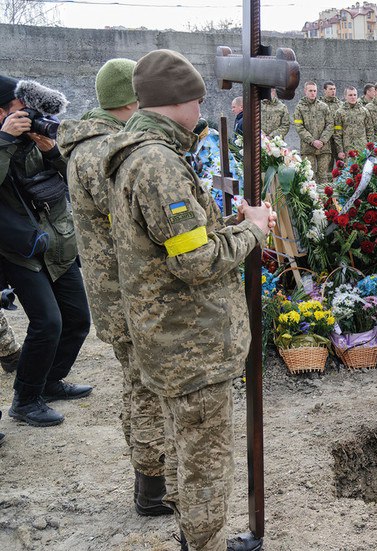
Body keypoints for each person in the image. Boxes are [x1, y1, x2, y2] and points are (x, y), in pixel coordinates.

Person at [103, 49, 274, 551]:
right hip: (191, 342)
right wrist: (252, 232)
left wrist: (227, 223)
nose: (201, 111)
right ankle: (200, 543)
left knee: (184, 447)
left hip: (169, 335)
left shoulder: (138, 152)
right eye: (197, 102)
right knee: (204, 458)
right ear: (178, 102)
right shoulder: (158, 163)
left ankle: (187, 533)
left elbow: (177, 241)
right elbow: (195, 261)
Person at [57, 58, 171, 516]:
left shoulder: (87, 145)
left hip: (114, 293)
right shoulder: (103, 152)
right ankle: (153, 489)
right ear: (132, 100)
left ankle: (148, 478)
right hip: (129, 294)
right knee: (146, 388)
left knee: (135, 384)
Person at [0, 74, 92, 427]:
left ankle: (49, 381)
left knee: (78, 320)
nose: (29, 117)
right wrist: (5, 140)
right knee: (47, 323)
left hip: (58, 241)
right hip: (20, 250)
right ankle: (25, 400)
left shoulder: (36, 139)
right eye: (21, 111)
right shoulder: (5, 141)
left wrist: (51, 151)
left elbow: (75, 180)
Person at [293, 81, 333, 183]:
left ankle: (325, 198)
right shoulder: (299, 108)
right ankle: (312, 198)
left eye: (314, 91)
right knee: (309, 176)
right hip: (308, 148)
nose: (313, 93)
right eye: (310, 91)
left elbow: (330, 124)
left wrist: (322, 140)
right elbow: (299, 127)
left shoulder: (323, 106)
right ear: (305, 91)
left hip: (324, 148)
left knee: (323, 176)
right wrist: (312, 141)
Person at [335, 86, 370, 157]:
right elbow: (337, 133)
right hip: (348, 149)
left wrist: (370, 147)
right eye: (350, 95)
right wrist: (340, 150)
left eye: (355, 95)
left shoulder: (364, 111)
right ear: (345, 96)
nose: (353, 97)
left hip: (362, 148)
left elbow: (369, 130)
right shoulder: (340, 112)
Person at [320, 81, 342, 176]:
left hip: (338, 140)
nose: (333, 91)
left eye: (334, 89)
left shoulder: (340, 104)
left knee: (341, 166)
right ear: (325, 90)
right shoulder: (320, 104)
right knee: (327, 168)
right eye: (330, 89)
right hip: (326, 141)